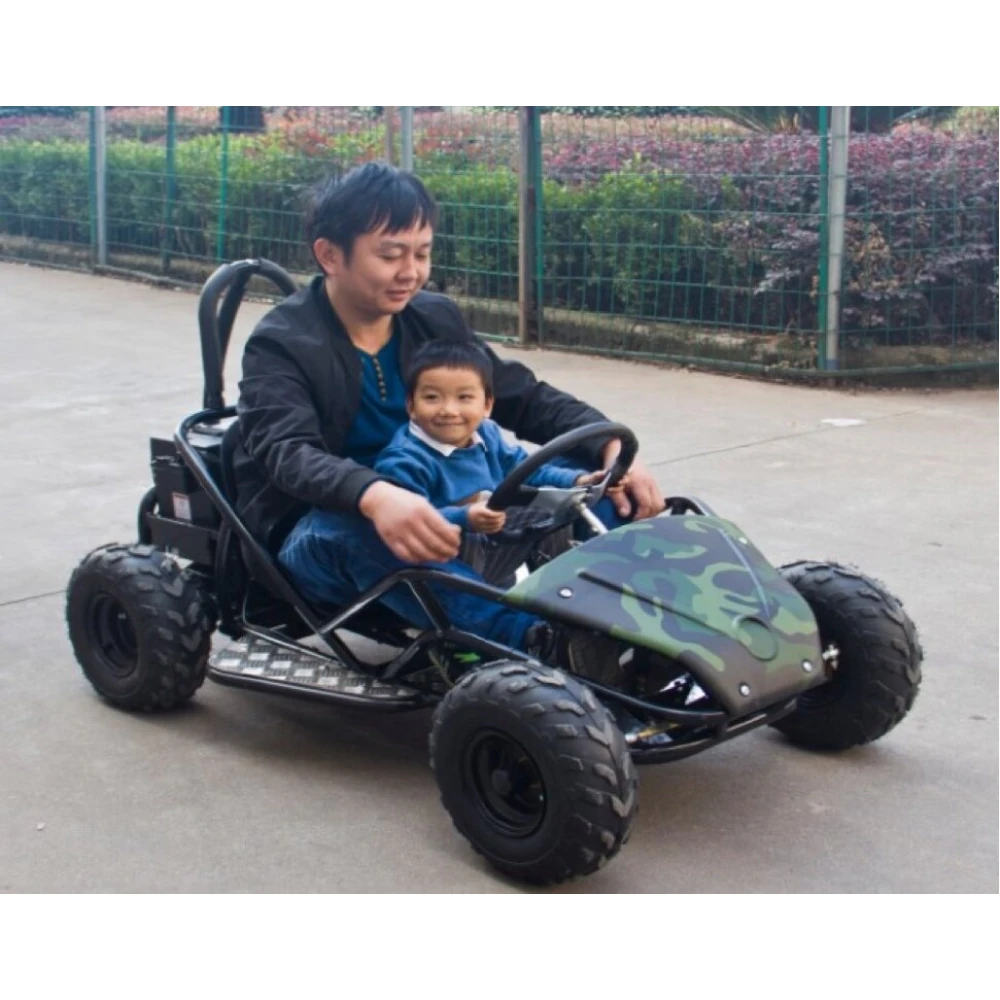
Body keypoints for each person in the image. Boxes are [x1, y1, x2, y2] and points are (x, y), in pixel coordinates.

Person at [232, 162, 665, 652]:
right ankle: (538, 644)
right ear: (330, 255)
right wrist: (375, 495)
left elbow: (522, 396)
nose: (411, 272)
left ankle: (654, 613)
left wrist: (610, 446)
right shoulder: (282, 343)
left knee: (595, 485)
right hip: (327, 528)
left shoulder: (432, 318)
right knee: (358, 530)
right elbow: (287, 452)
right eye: (390, 255)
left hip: (453, 504)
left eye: (422, 253)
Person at [374, 339, 609, 588]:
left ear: (487, 405)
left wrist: (576, 480)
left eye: (464, 397)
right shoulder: (405, 460)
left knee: (557, 506)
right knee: (475, 533)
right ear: (411, 405)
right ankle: (482, 600)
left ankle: (558, 584)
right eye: (432, 398)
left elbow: (526, 469)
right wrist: (464, 517)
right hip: (442, 565)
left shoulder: (486, 433)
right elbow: (409, 522)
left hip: (492, 540)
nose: (449, 410)